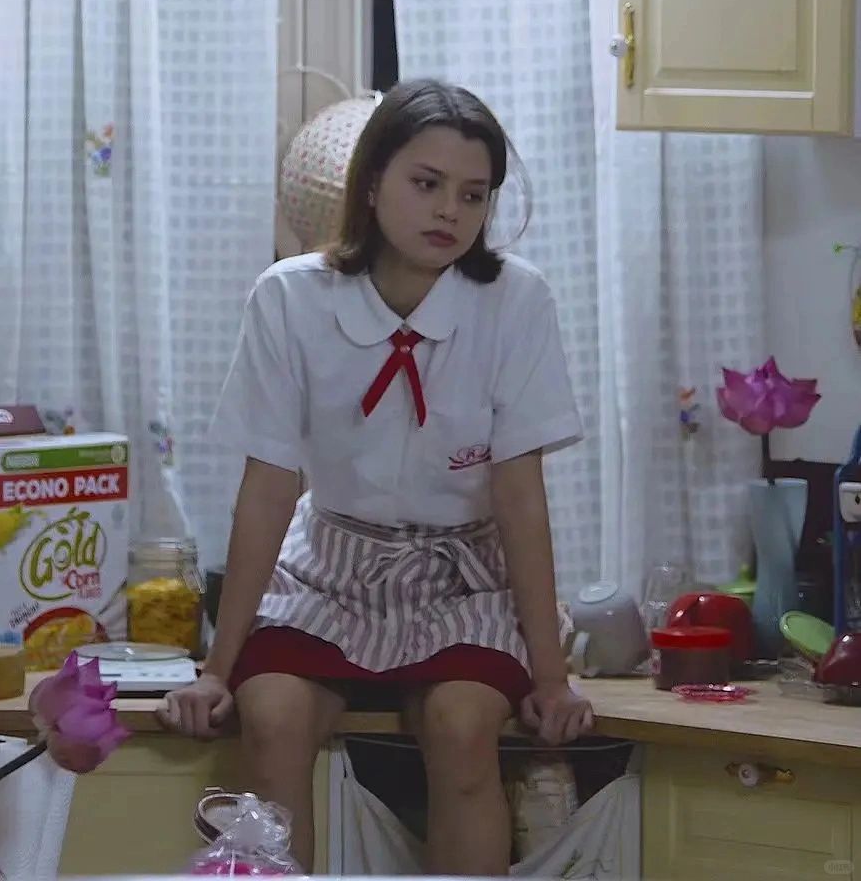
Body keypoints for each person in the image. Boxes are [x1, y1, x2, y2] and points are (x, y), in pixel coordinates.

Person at [159, 78, 594, 875]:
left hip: (463, 580)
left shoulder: (516, 301)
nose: (449, 212)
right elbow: (268, 488)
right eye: (426, 184)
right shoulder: (290, 297)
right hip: (330, 571)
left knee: (463, 727)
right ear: (370, 185)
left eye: (473, 195)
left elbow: (520, 496)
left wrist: (552, 678)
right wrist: (216, 670)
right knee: (271, 719)